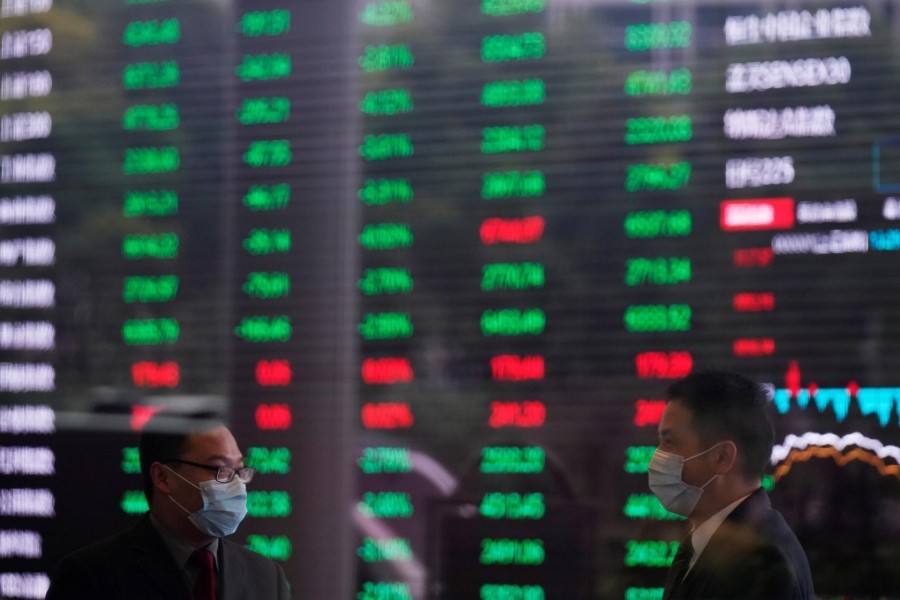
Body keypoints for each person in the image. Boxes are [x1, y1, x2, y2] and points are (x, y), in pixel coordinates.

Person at [46, 413, 291, 599]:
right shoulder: (90, 575)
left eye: (239, 470)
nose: (236, 483)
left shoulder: (267, 576)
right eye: (220, 470)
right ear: (163, 477)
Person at [648, 371, 814, 600]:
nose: (657, 457)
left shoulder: (758, 564)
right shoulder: (713, 543)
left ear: (722, 457)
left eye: (670, 442)